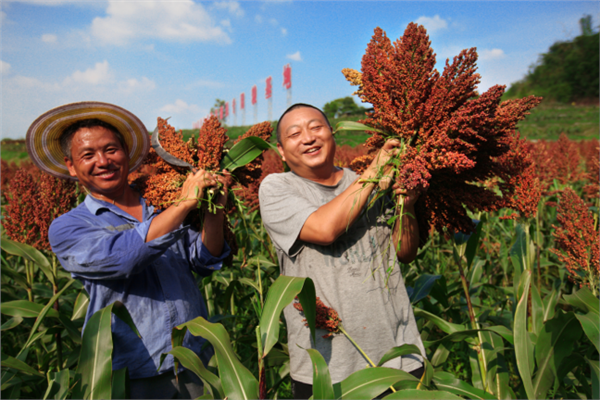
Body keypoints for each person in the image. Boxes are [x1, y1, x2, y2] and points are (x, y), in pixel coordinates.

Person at [26, 102, 229, 399]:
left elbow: (204, 260)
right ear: (71, 165)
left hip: (196, 360)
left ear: (125, 153)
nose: (103, 161)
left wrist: (215, 211)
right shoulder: (68, 227)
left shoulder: (160, 204)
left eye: (111, 150)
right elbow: (126, 258)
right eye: (88, 154)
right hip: (133, 373)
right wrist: (185, 204)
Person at [258, 103, 426, 398]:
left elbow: (404, 252)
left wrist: (407, 204)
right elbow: (325, 230)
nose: (308, 137)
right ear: (282, 151)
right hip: (327, 370)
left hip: (399, 355)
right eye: (295, 133)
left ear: (332, 134)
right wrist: (374, 171)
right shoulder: (276, 188)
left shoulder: (367, 181)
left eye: (316, 127)